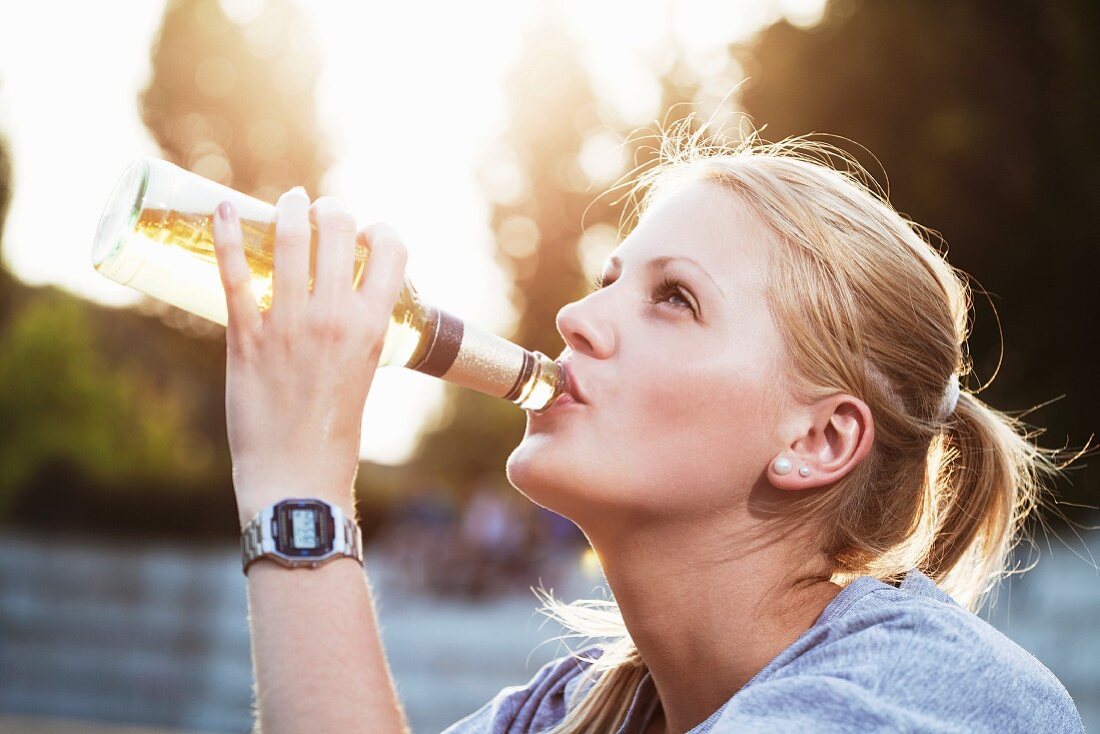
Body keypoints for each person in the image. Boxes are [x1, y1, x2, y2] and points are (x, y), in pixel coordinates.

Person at [210, 125, 1086, 733]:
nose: (575, 317)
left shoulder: (932, 700)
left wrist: (300, 485)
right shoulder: (559, 718)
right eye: (608, 279)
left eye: (675, 298)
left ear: (816, 441)